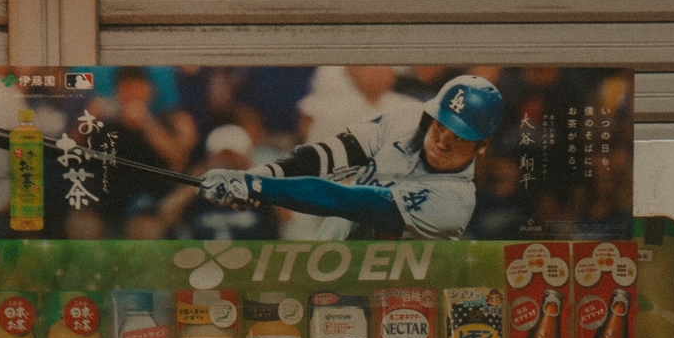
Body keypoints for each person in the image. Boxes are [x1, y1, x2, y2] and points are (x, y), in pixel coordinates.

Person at [200, 73, 505, 241]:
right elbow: (326, 156)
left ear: (482, 145)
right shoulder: (408, 120)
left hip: (405, 302)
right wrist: (261, 176)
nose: (442, 141)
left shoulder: (454, 202)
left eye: (459, 137)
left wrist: (260, 188)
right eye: (441, 125)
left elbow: (346, 200)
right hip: (335, 270)